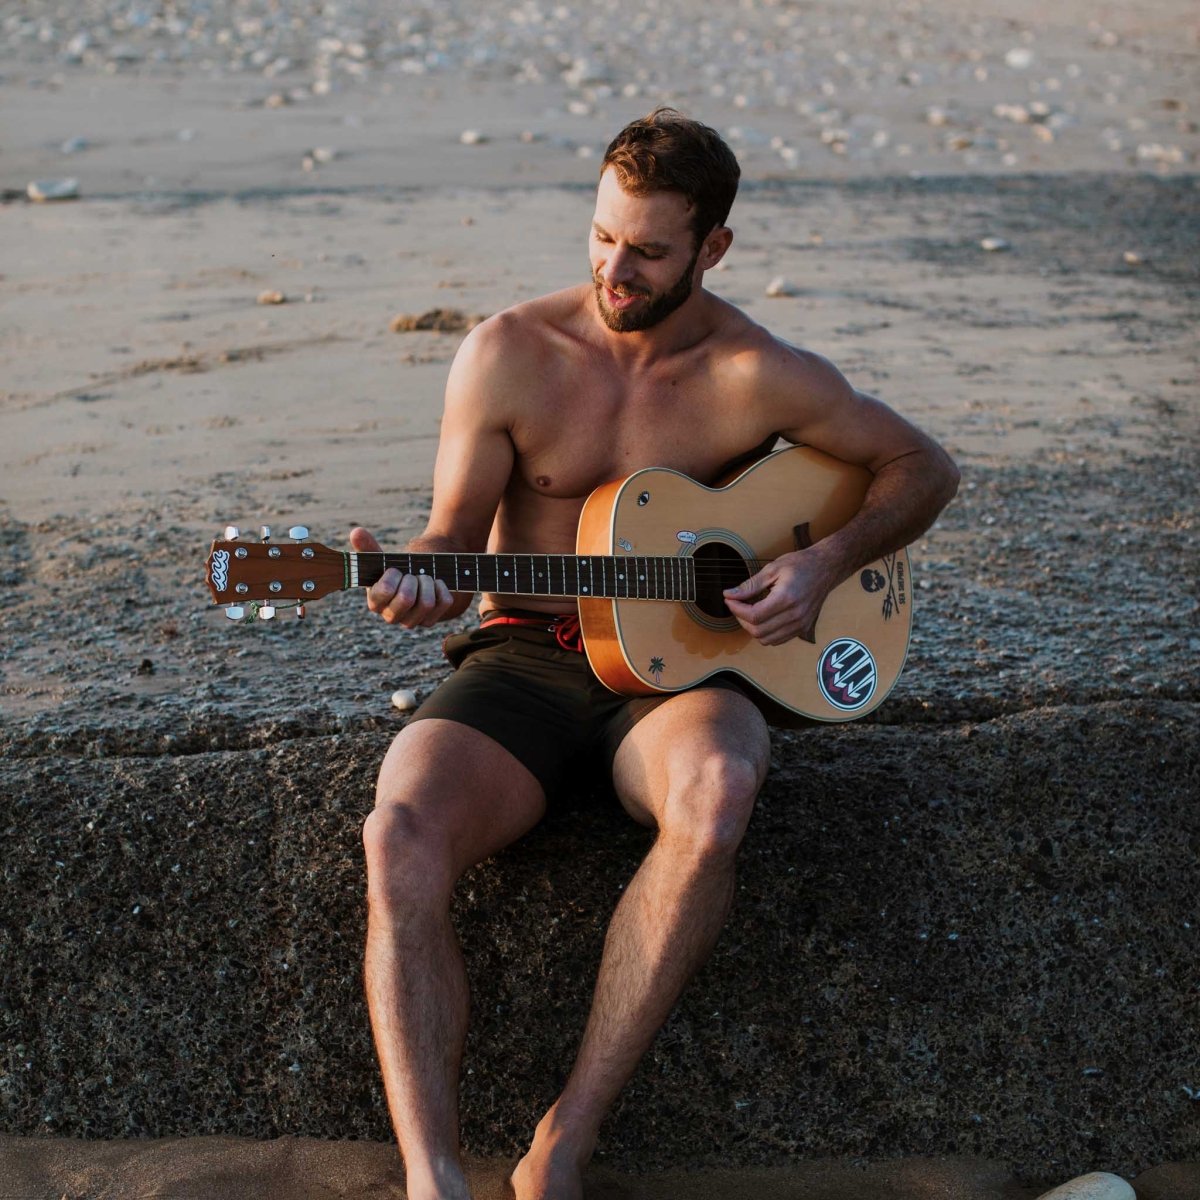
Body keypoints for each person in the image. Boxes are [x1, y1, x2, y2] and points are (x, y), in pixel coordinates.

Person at [354, 108, 959, 1200]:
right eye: (598, 236)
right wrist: (415, 576)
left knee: (723, 790)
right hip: (527, 658)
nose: (611, 269)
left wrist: (822, 567)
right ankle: (432, 1176)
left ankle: (566, 1144)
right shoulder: (509, 353)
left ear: (712, 250)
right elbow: (449, 535)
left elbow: (922, 468)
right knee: (396, 833)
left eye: (646, 250)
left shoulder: (753, 373)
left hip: (680, 677)